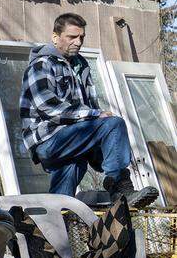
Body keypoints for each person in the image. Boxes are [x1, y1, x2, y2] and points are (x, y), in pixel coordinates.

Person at [19, 12, 158, 206]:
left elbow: (91, 106)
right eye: (71, 37)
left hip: (72, 141)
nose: (77, 42)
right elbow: (47, 106)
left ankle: (51, 227)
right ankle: (119, 184)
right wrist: (95, 116)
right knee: (113, 124)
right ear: (55, 37)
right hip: (48, 140)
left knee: (68, 181)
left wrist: (98, 130)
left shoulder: (81, 66)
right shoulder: (42, 65)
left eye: (81, 37)